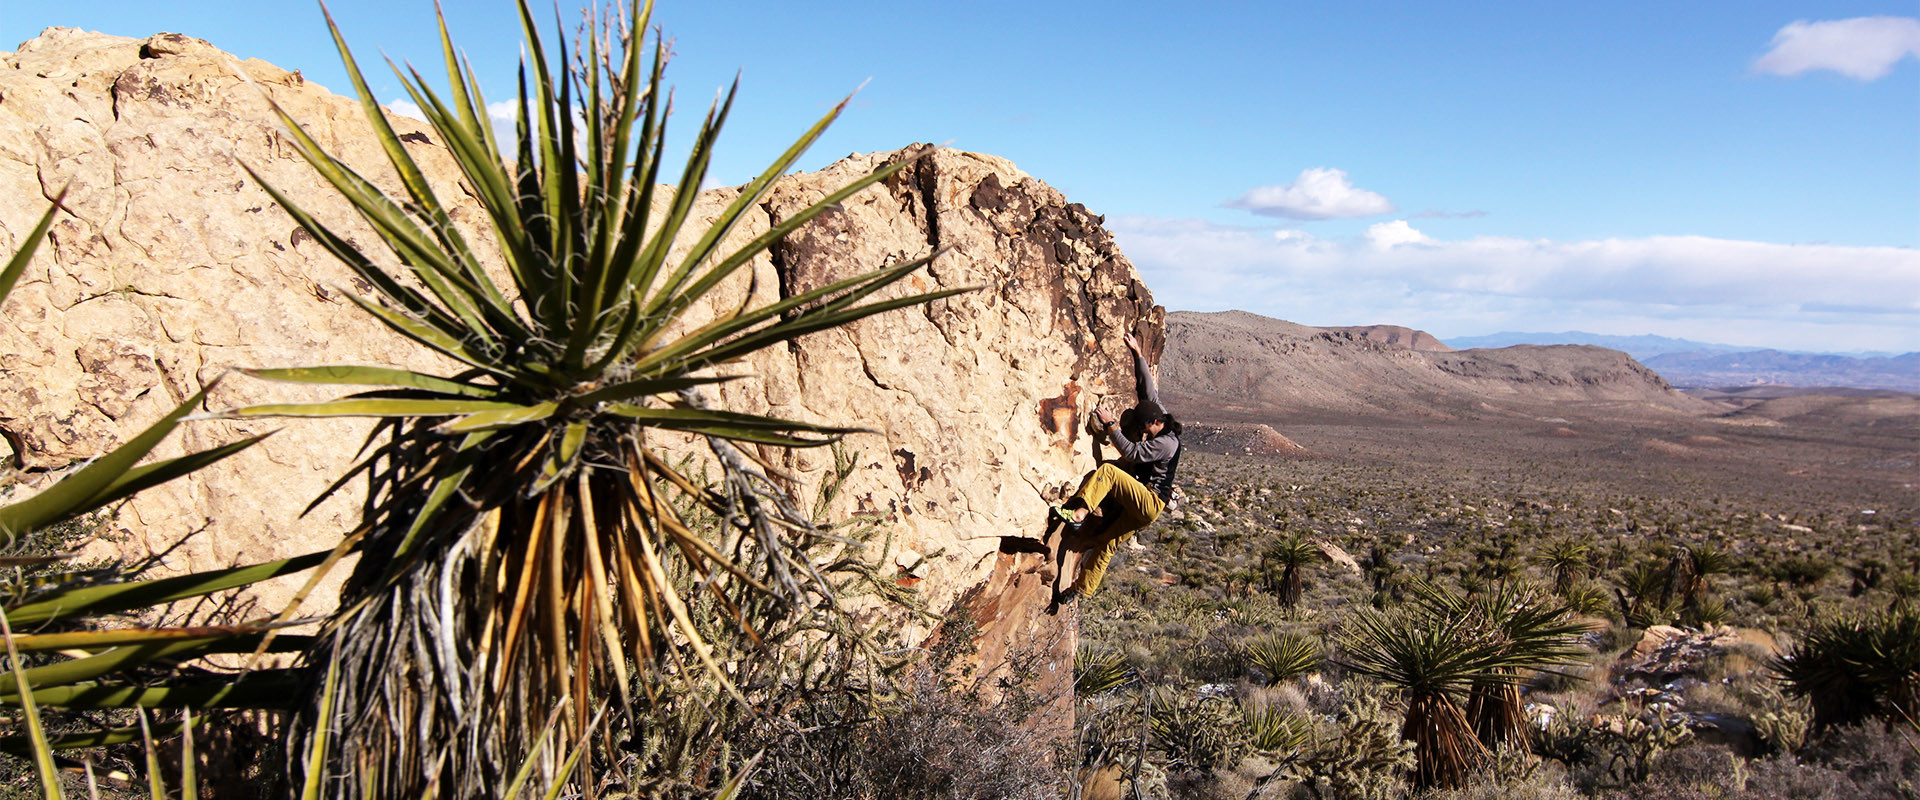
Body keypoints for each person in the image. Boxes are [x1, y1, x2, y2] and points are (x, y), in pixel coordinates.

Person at [1050, 330, 1182, 602]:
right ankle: (1080, 590)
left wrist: (1110, 425)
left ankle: (1079, 514)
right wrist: (1138, 354)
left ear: (1151, 424)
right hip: (1145, 506)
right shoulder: (1160, 416)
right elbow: (1149, 390)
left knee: (1109, 471)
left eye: (1142, 426)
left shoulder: (1166, 443)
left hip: (1148, 502)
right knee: (1107, 544)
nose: (1141, 430)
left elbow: (1133, 452)